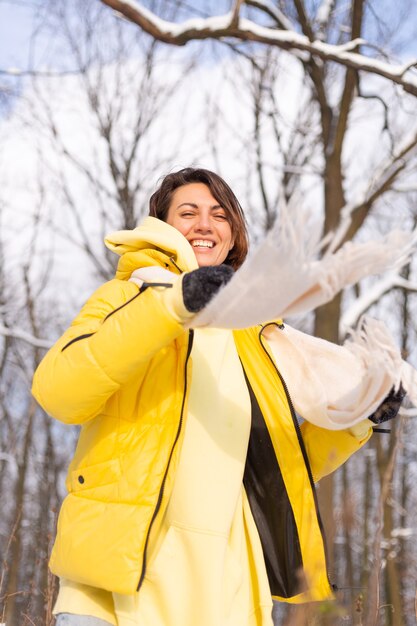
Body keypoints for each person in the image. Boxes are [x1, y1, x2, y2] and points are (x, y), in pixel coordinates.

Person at [32, 168, 404, 626]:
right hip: (119, 585)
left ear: (233, 236)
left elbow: (280, 468)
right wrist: (173, 304)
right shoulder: (128, 297)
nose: (205, 224)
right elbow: (59, 392)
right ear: (164, 227)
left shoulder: (254, 334)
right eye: (188, 213)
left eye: (220, 215)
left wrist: (359, 418)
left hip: (225, 589)